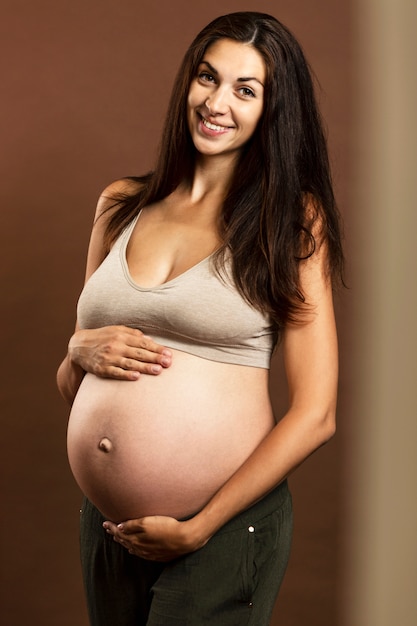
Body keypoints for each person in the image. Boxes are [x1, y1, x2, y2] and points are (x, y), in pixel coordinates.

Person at [57, 11, 343, 626]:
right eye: (207, 78)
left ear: (273, 109)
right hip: (109, 527)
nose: (217, 103)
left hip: (219, 529)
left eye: (246, 90)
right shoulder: (120, 206)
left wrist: (201, 527)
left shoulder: (292, 223)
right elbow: (74, 385)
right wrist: (77, 350)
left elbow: (316, 414)